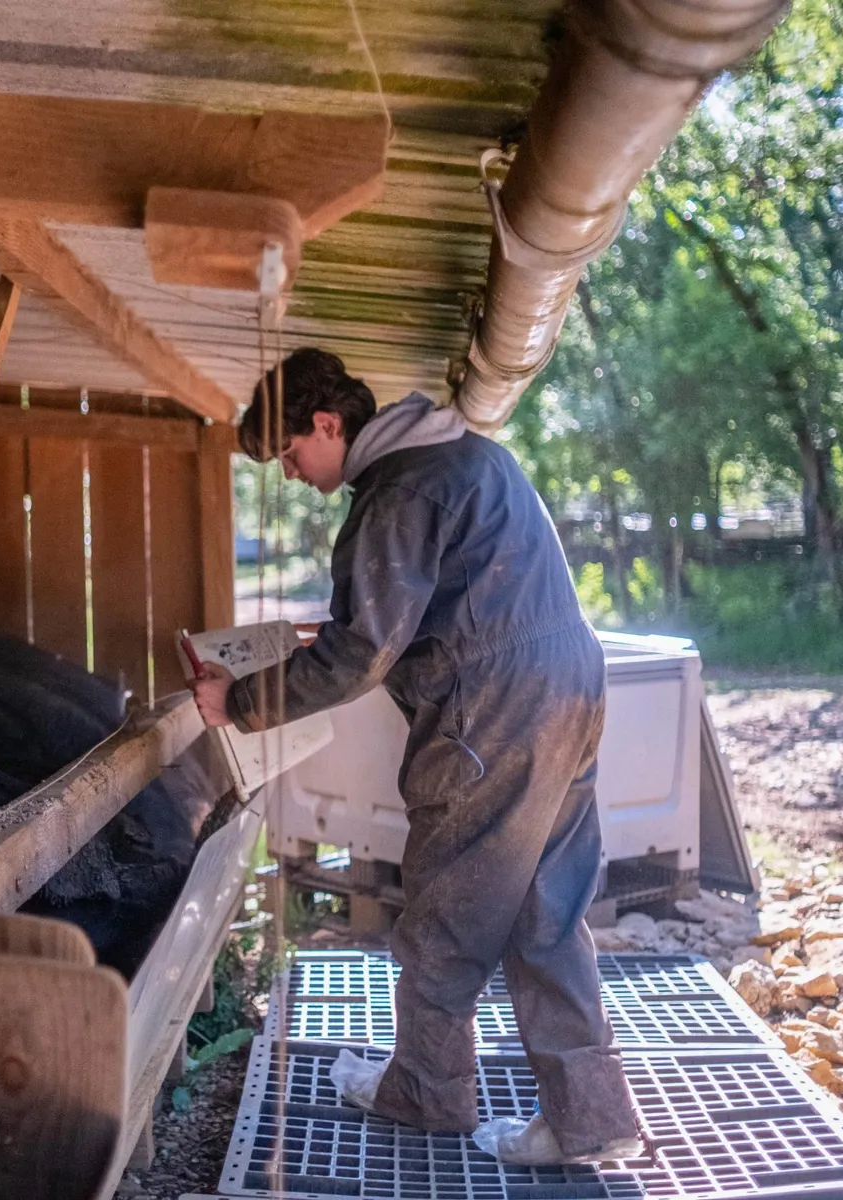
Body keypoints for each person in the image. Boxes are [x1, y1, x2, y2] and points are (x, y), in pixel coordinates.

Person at [187, 348, 644, 1163]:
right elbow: (434, 606)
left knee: (445, 910)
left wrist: (242, 700)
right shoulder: (472, 457)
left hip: (492, 714)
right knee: (550, 909)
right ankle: (591, 1122)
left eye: (291, 453)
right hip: (570, 687)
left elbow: (361, 652)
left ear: (328, 424)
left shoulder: (395, 494)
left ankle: (426, 1094)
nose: (292, 474)